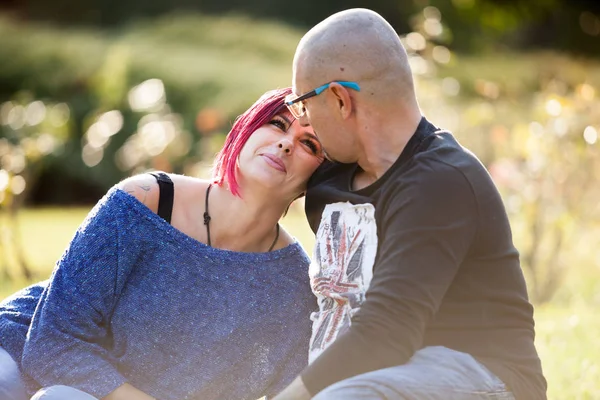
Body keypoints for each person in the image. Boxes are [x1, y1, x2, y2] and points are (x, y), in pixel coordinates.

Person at [273, 8, 547, 400]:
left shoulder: (442, 180)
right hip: (379, 376)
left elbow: (386, 333)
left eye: (303, 104)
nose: (305, 120)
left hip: (485, 377)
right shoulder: (332, 178)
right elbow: (252, 197)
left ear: (339, 99)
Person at [0, 87, 324, 400]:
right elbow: (51, 342)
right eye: (277, 124)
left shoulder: (295, 286)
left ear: (323, 177)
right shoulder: (147, 200)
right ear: (246, 129)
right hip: (22, 351)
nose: (285, 144)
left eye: (309, 144)